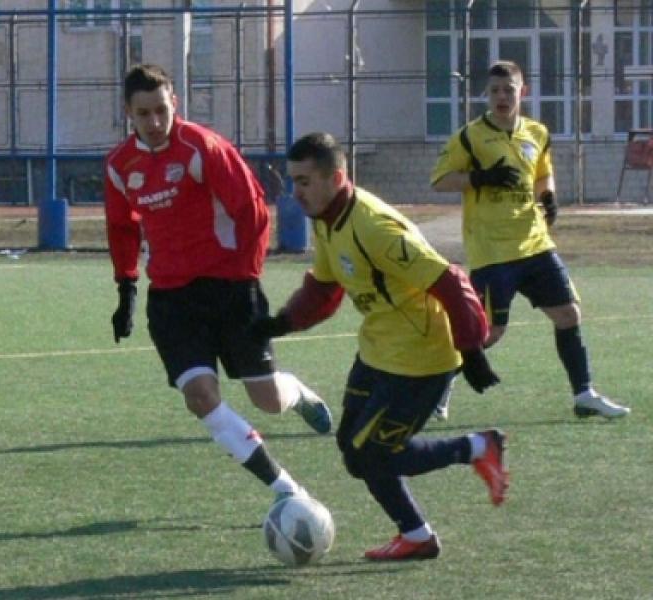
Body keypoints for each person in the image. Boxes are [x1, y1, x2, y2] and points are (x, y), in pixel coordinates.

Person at [256, 132, 508, 561]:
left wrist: (472, 351)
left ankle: (478, 448)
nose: (295, 192)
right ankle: (417, 535)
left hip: (422, 357)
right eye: (293, 180)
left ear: (336, 178)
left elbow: (451, 281)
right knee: (353, 451)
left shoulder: (374, 227)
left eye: (304, 181)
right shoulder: (327, 218)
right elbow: (324, 289)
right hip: (378, 349)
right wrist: (279, 323)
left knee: (371, 454)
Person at [105, 64, 332, 506]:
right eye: (143, 113)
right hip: (171, 300)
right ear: (128, 113)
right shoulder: (120, 165)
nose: (154, 122)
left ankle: (298, 393)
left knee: (267, 398)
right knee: (199, 396)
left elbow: (252, 211)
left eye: (161, 110)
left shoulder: (203, 147)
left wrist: (247, 274)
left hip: (230, 288)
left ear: (175, 104)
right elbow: (122, 227)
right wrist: (126, 288)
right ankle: (286, 490)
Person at [430, 60, 629, 420]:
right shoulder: (470, 136)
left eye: (508, 90)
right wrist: (481, 177)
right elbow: (440, 180)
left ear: (523, 92)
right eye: (494, 91)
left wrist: (548, 197)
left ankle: (584, 394)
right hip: (493, 251)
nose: (501, 97)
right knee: (489, 332)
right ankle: (437, 389)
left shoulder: (537, 132)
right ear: (486, 95)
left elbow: (542, 175)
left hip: (536, 244)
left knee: (568, 314)